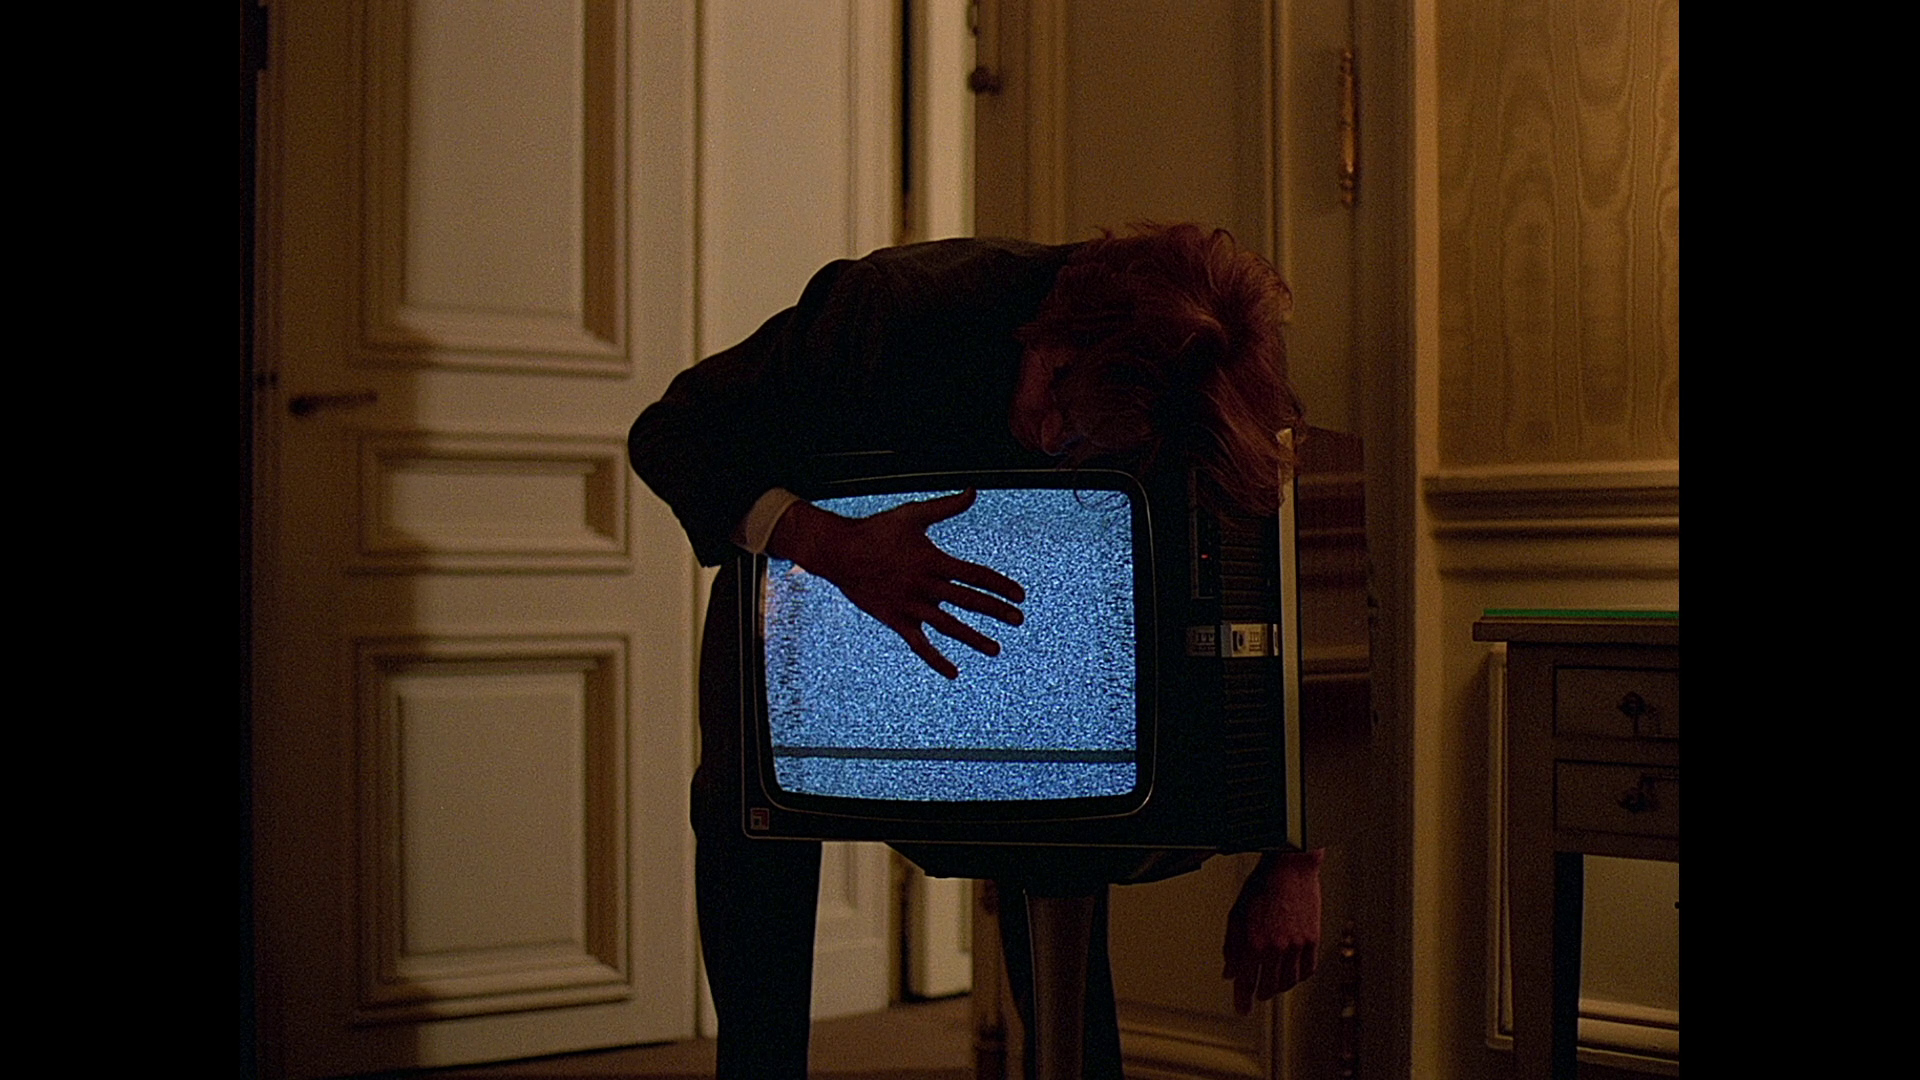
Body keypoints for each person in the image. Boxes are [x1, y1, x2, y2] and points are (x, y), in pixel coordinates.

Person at [629, 223, 1324, 1079]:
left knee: (1063, 846)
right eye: (1054, 386)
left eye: (1087, 439)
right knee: (754, 842)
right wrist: (834, 549)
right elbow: (671, 432)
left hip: (1023, 630)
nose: (1048, 431)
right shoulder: (892, 308)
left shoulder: (1214, 366)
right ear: (1052, 327)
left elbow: (1287, 599)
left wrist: (1294, 856)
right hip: (805, 588)